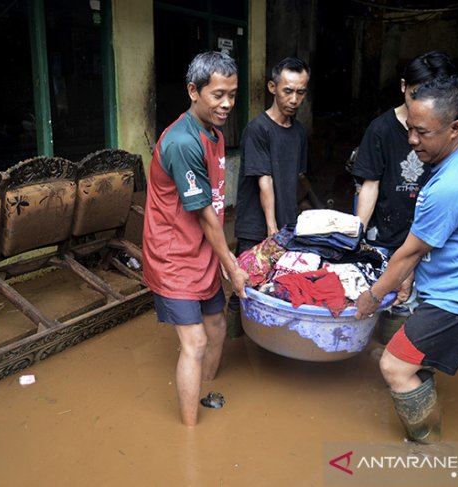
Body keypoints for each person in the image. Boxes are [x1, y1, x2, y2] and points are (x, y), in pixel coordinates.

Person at [354, 74, 458, 443]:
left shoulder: (454, 185)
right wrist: (410, 275)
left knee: (393, 365)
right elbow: (434, 244)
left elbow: (408, 253)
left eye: (422, 133)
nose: (411, 141)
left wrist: (372, 297)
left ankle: (427, 446)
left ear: (455, 128)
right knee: (410, 359)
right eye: (410, 129)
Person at [142, 51, 250, 427]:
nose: (227, 104)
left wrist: (221, 260)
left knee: (218, 327)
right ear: (193, 91)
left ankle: (205, 394)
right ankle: (190, 435)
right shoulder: (182, 142)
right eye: (218, 95)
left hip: (201, 251)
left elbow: (214, 212)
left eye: (232, 95)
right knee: (196, 342)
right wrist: (233, 266)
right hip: (174, 258)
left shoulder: (214, 133)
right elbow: (205, 214)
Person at [350, 51, 458, 339]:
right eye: (417, 94)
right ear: (402, 87)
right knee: (371, 311)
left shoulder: (446, 135)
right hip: (384, 238)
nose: (426, 104)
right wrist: (355, 236)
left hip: (428, 245)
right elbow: (369, 185)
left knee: (408, 323)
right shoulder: (381, 130)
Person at [227, 56, 311, 338]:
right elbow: (266, 182)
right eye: (288, 90)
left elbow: (296, 180)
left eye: (301, 92)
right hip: (257, 227)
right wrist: (272, 230)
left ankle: (268, 345)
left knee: (278, 290)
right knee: (245, 291)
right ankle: (233, 344)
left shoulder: (298, 132)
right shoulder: (257, 129)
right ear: (272, 87)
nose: (294, 98)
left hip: (285, 225)